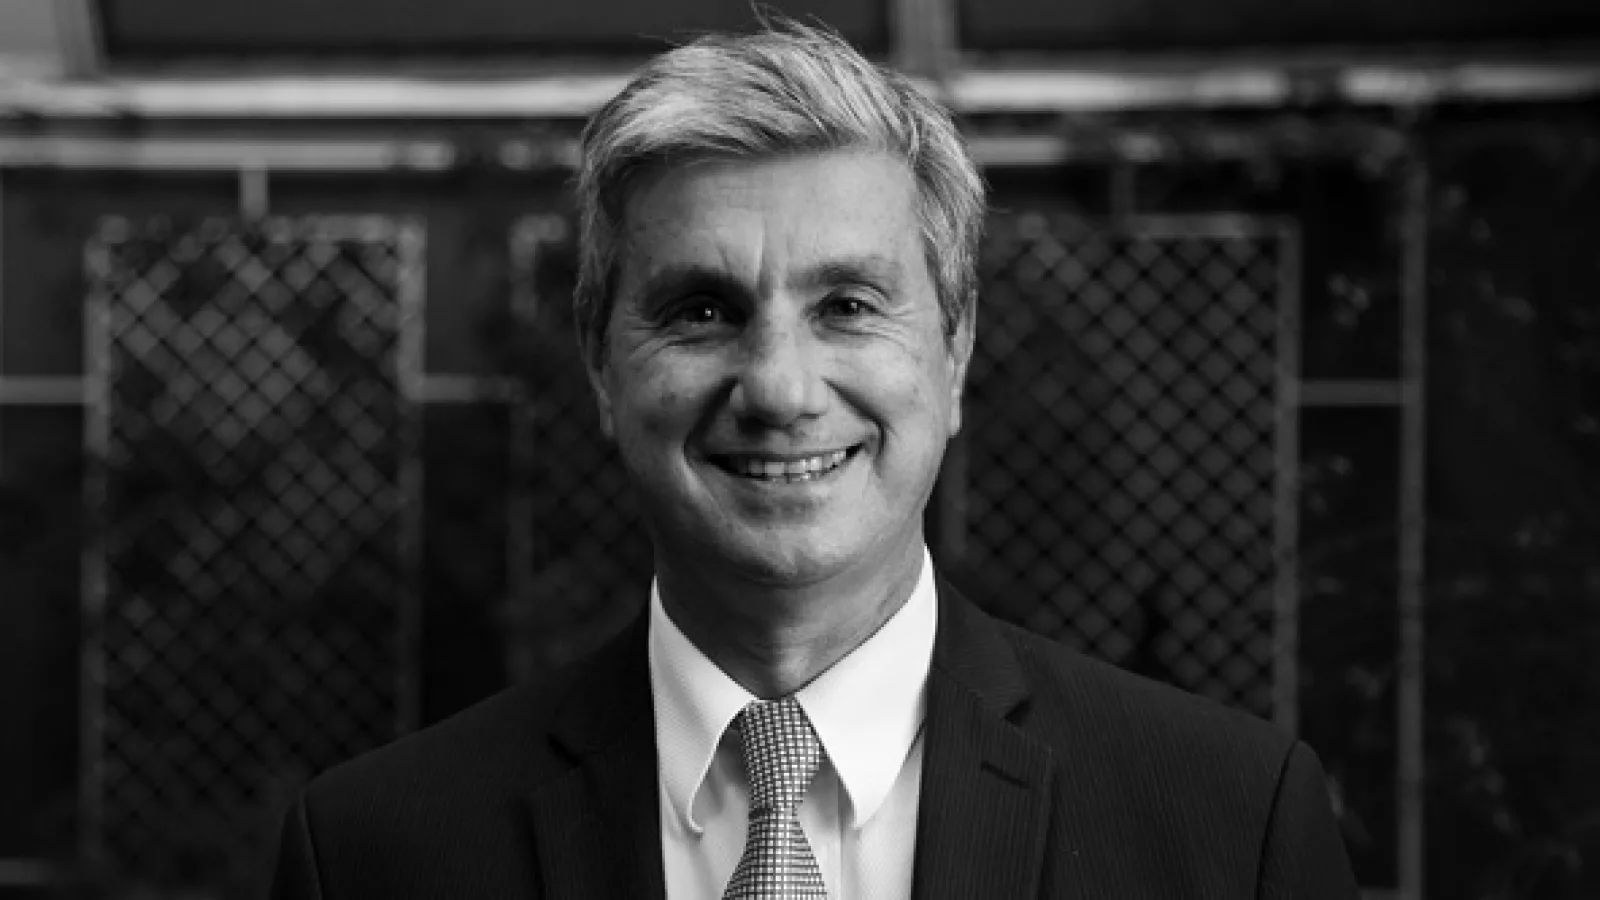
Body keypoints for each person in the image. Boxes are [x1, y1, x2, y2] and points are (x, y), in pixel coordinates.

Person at [271, 17, 1360, 899]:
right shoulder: (379, 855)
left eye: (846, 305)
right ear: (602, 367)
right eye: (702, 311)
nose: (780, 390)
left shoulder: (1228, 829)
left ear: (953, 351)